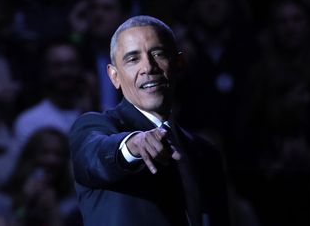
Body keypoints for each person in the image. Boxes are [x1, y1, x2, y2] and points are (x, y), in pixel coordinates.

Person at [69, 15, 230, 226]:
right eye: (133, 59)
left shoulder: (205, 153)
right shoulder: (96, 126)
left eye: (158, 53)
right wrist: (133, 145)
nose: (149, 67)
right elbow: (95, 154)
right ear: (114, 76)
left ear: (179, 63)